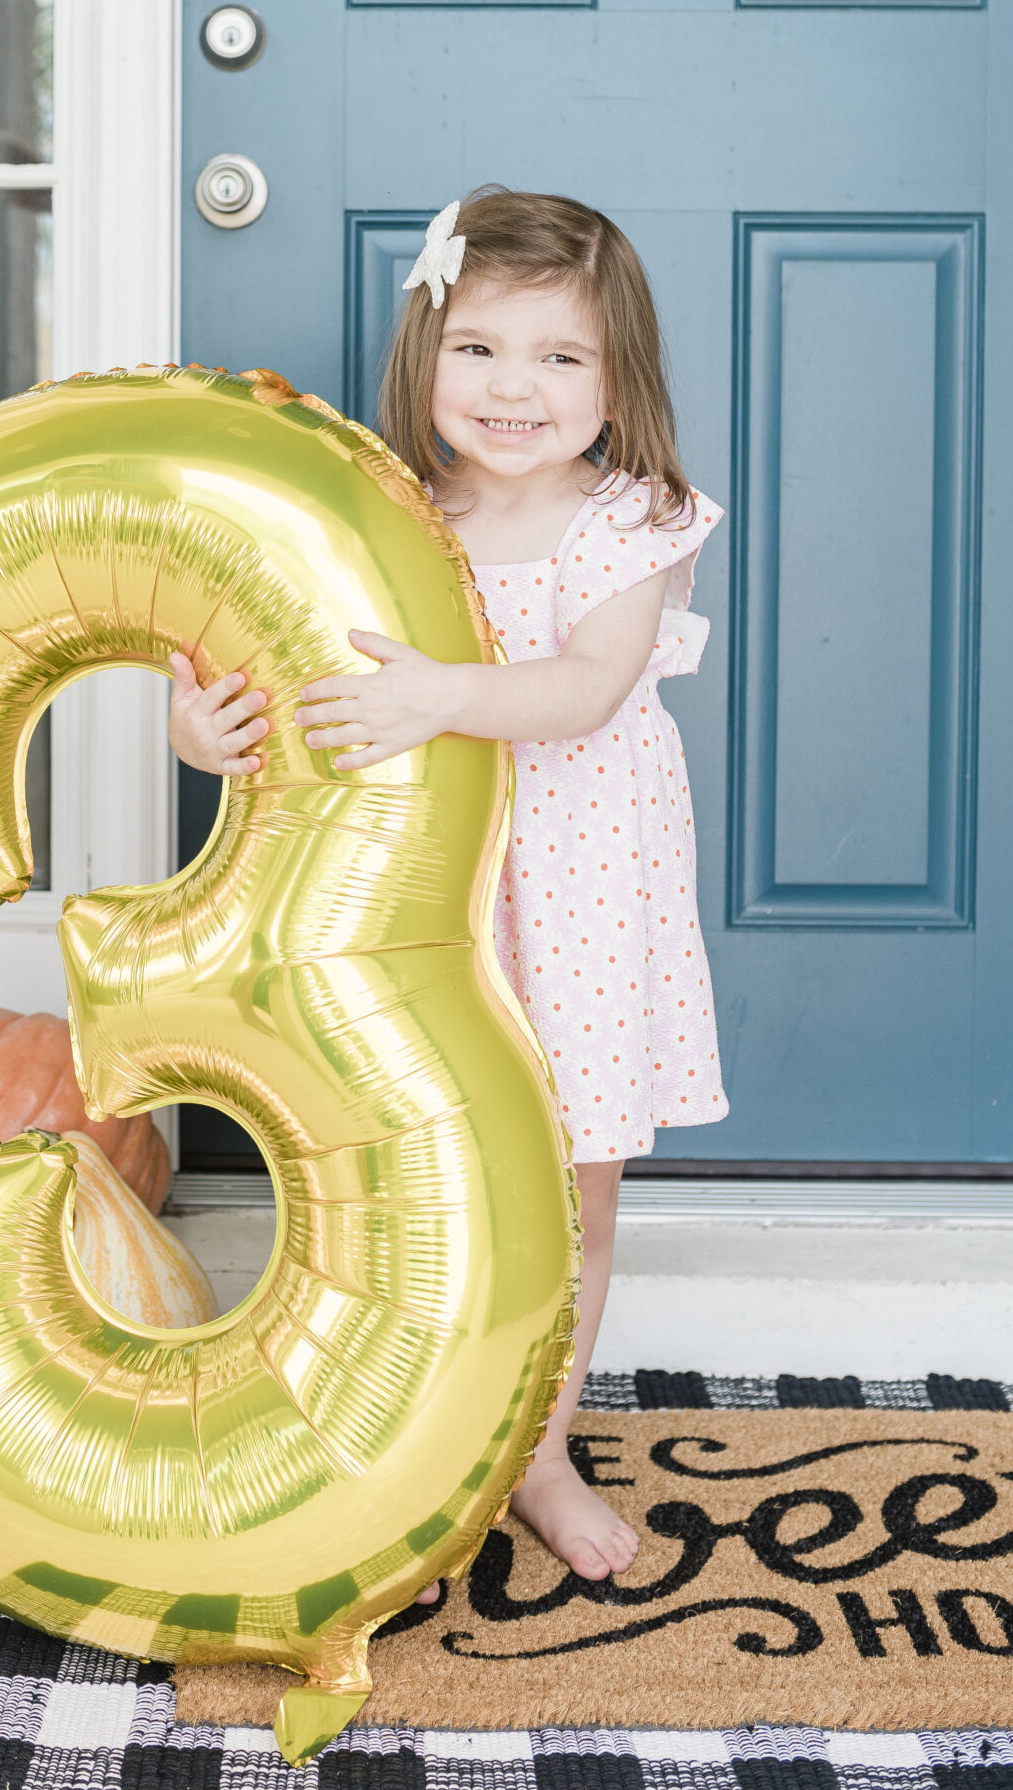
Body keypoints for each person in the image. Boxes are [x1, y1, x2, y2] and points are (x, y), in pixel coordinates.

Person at [167, 187, 727, 1585]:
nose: (515, 388)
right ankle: (402, 1419)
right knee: (417, 1173)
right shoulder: (382, 515)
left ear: (619, 381)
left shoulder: (631, 523)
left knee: (574, 1187)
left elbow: (588, 688)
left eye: (560, 358)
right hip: (428, 906)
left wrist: (442, 701)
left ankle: (538, 1447)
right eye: (480, 349)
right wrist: (202, 727)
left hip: (583, 899)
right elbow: (274, 670)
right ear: (426, 353)